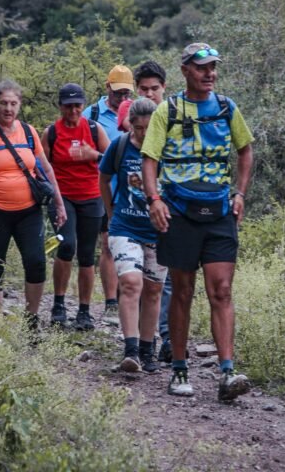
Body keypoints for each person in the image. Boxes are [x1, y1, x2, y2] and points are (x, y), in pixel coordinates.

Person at [141, 43, 254, 401]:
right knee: (183, 291)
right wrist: (154, 200)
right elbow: (149, 159)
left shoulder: (226, 108)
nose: (210, 73)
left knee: (221, 290)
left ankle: (227, 371)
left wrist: (240, 193)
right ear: (186, 69)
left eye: (214, 67)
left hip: (219, 211)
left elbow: (245, 149)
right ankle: (178, 368)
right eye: (203, 67)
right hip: (179, 211)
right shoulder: (167, 111)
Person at [0, 80, 66, 326]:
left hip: (28, 211)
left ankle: (32, 319)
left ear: (20, 105)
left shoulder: (28, 132)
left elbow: (46, 169)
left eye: (13, 103)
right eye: (4, 103)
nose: (8, 108)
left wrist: (59, 205)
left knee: (36, 262)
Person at [99, 98, 165, 373]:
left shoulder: (166, 147)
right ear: (131, 125)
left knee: (153, 289)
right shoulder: (121, 145)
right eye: (138, 128)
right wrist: (111, 211)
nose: (143, 134)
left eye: (148, 129)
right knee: (130, 283)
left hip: (158, 229)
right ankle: (131, 350)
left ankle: (149, 351)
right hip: (125, 226)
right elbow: (103, 176)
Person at [45, 83, 110, 331]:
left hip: (92, 197)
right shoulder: (51, 133)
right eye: (68, 106)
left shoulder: (94, 129)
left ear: (83, 105)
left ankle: (84, 311)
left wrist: (92, 154)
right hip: (62, 198)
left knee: (85, 254)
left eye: (77, 105)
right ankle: (58, 304)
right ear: (60, 106)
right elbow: (42, 165)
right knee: (66, 245)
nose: (73, 110)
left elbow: (110, 159)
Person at [82, 65, 134, 316]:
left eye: (126, 93)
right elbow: (78, 147)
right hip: (101, 187)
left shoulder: (137, 111)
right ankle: (111, 300)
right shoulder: (91, 114)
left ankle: (130, 296)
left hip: (131, 189)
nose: (122, 98)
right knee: (107, 243)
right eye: (118, 93)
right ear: (107, 88)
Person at [133, 60, 174, 363]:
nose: (149, 93)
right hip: (140, 212)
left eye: (154, 88)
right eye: (144, 89)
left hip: (176, 207)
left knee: (171, 278)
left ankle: (169, 338)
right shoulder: (137, 119)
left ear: (164, 88)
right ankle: (144, 339)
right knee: (148, 279)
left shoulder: (176, 117)